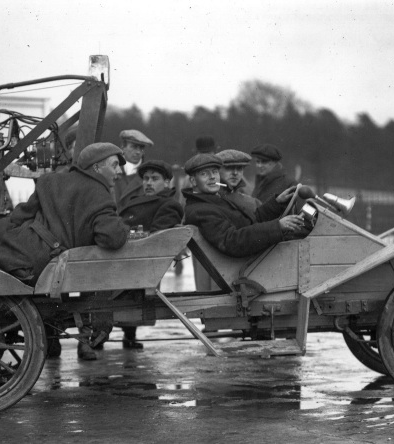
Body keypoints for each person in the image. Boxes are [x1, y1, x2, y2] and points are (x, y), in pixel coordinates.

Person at [0, 142, 130, 360]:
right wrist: (124, 229)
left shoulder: (51, 180)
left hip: (27, 242)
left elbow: (20, 216)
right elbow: (111, 237)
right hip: (41, 260)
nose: (119, 172)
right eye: (114, 166)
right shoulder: (99, 194)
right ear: (96, 168)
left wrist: (5, 236)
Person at [182, 153, 306, 258]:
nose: (212, 177)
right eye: (204, 174)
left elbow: (248, 223)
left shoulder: (211, 201)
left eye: (215, 172)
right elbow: (233, 241)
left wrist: (277, 202)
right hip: (246, 266)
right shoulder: (202, 210)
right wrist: (277, 226)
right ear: (193, 181)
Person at [116, 159, 184, 348]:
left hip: (140, 263)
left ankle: (101, 336)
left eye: (154, 179)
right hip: (127, 259)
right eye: (145, 179)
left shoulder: (169, 205)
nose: (148, 183)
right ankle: (127, 336)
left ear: (167, 182)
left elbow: (156, 239)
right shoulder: (134, 201)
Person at [115, 129, 153, 208]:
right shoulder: (111, 171)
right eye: (134, 147)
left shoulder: (149, 176)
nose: (138, 152)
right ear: (123, 148)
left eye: (141, 148)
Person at [216, 149, 261, 214]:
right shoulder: (208, 199)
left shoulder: (253, 203)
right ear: (217, 170)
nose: (235, 173)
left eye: (239, 168)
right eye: (229, 168)